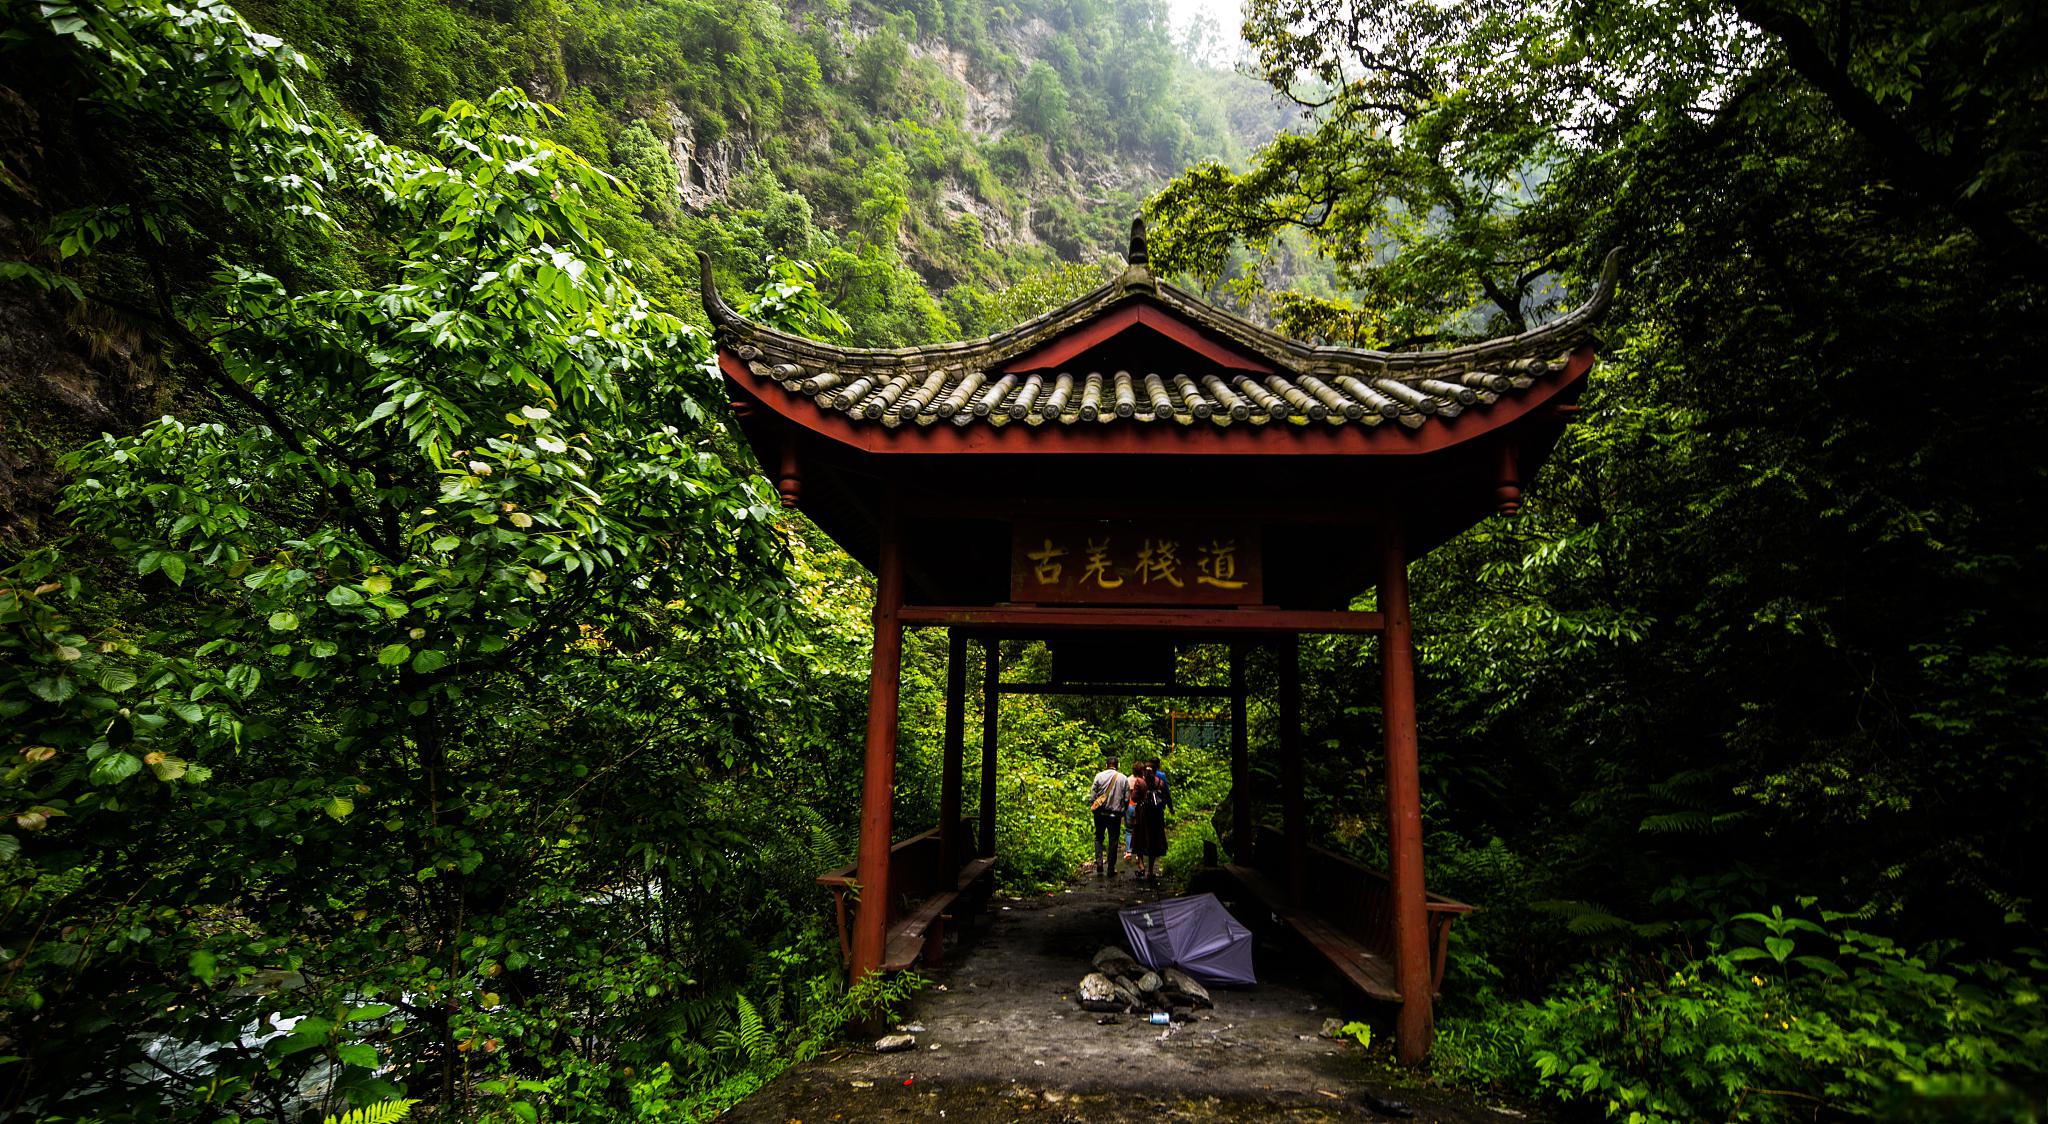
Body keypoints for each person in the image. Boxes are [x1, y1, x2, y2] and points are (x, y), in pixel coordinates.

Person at [1086, 755, 1129, 877]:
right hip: (1115, 815)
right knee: (1113, 841)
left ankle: (1099, 862)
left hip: (1100, 813)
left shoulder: (1099, 776)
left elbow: (1093, 795)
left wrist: (1095, 807)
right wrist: (1123, 812)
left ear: (1106, 765)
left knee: (1099, 837)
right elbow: (1126, 799)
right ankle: (1111, 868)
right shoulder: (1123, 778)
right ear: (1117, 765)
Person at [1129, 761, 1170, 883]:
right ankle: (1151, 870)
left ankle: (1141, 865)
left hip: (1143, 815)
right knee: (1153, 842)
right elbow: (1165, 797)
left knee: (1139, 840)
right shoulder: (1159, 782)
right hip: (1156, 817)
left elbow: (1134, 798)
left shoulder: (1140, 782)